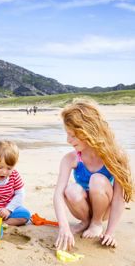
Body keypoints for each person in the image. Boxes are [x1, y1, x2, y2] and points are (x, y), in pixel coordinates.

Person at [53, 99, 134, 250]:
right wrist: (63, 227)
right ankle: (85, 222)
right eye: (67, 134)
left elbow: (118, 197)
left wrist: (110, 232)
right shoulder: (71, 158)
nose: (68, 140)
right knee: (70, 189)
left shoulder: (115, 156)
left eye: (73, 135)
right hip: (82, 208)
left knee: (96, 179)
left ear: (88, 131)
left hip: (104, 209)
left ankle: (96, 223)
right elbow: (58, 194)